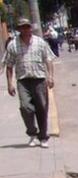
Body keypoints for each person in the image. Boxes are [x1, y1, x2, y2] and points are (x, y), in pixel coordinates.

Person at [3, 18, 56, 149]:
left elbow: (48, 59)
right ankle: (32, 133)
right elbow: (9, 66)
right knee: (25, 108)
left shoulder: (40, 42)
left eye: (27, 27)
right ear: (19, 29)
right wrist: (9, 84)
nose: (26, 29)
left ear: (30, 28)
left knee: (42, 107)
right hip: (23, 81)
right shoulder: (13, 45)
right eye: (23, 27)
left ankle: (43, 137)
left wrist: (50, 77)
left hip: (39, 80)